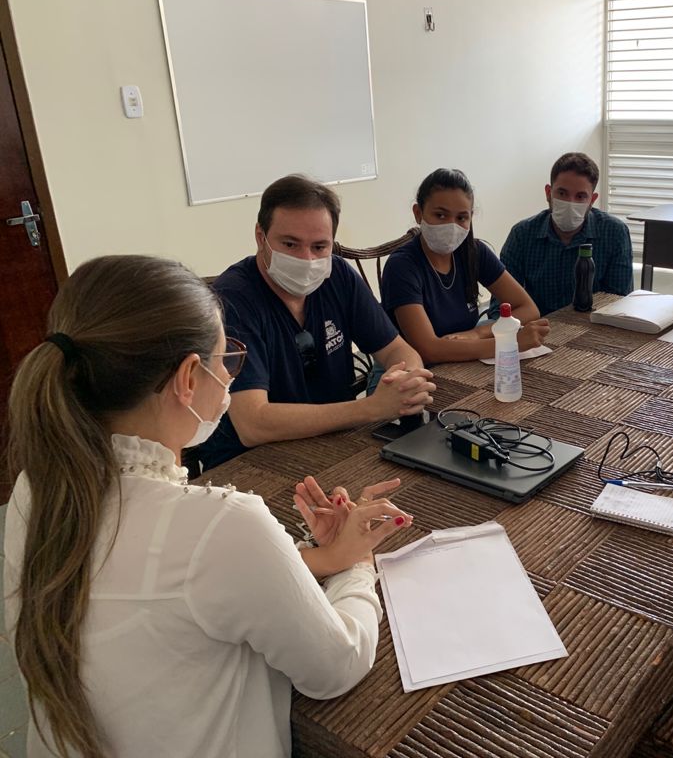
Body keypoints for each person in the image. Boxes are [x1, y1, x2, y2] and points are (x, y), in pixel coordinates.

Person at [3, 255, 413, 758]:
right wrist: (357, 565)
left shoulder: (35, 490)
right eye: (225, 360)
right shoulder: (221, 524)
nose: (228, 376)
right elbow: (335, 667)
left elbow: (176, 592)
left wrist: (314, 557)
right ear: (187, 377)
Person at [196, 174, 435, 470]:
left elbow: (397, 349)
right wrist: (371, 407)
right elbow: (253, 424)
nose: (307, 259)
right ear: (260, 236)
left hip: (334, 442)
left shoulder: (338, 276)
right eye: (290, 244)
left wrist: (406, 382)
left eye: (320, 247)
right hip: (251, 463)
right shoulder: (232, 301)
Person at [381, 168, 549, 364]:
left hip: (463, 358)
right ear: (418, 213)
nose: (451, 226)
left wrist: (478, 333)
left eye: (461, 218)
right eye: (440, 215)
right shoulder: (402, 266)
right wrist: (509, 343)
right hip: (408, 369)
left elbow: (528, 308)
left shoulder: (473, 252)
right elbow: (427, 350)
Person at [497, 152, 634, 316]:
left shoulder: (614, 233)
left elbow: (618, 303)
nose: (570, 202)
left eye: (580, 196)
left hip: (593, 325)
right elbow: (501, 305)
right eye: (562, 193)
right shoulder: (522, 235)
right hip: (535, 325)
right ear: (548, 192)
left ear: (592, 200)